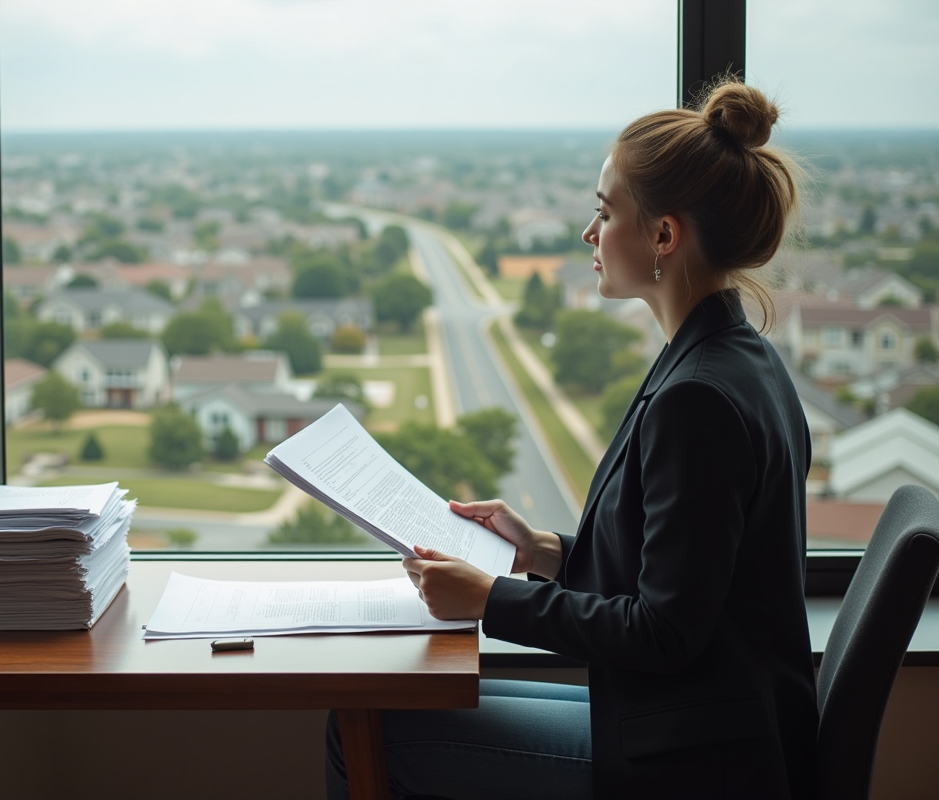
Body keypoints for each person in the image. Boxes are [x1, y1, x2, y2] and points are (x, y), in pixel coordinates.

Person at [326, 78, 818, 800]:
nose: (589, 234)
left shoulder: (698, 398)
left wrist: (490, 599)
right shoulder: (737, 358)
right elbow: (687, 574)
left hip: (698, 758)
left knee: (360, 730)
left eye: (603, 211)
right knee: (388, 709)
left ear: (662, 236)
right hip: (704, 719)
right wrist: (544, 552)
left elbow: (666, 631)